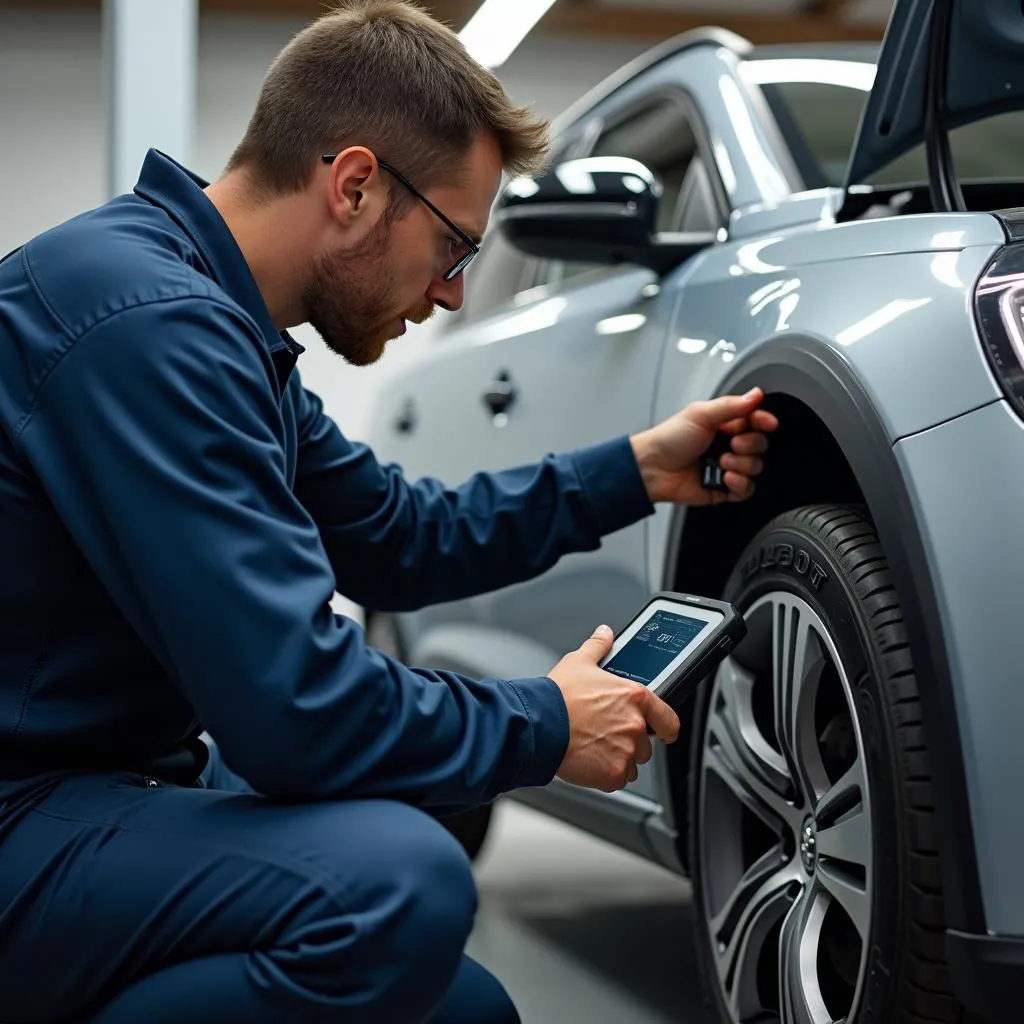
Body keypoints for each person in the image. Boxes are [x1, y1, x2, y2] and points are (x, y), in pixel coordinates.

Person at [0, 2, 778, 1022]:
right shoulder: (148, 328)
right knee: (396, 876)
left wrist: (634, 469)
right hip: (25, 807)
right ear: (356, 184)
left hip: (94, 780)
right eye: (454, 246)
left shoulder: (217, 323)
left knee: (468, 1010)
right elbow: (292, 712)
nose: (454, 295)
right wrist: (543, 723)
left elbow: (398, 536)